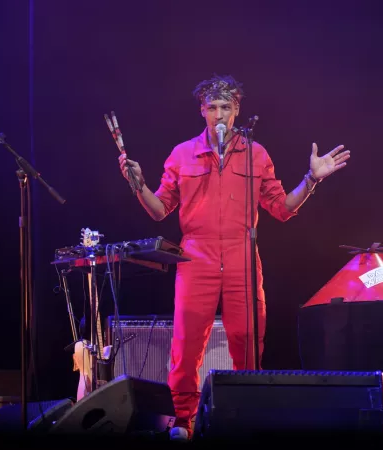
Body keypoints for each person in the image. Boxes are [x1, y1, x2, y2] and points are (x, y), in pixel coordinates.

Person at [118, 74, 351, 440]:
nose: (219, 114)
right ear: (202, 111)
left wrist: (312, 179)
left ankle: (246, 415)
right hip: (196, 257)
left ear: (237, 109)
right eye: (212, 107)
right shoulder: (183, 154)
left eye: (226, 106)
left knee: (248, 338)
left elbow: (281, 207)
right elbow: (160, 208)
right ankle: (183, 421)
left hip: (242, 255)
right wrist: (139, 186)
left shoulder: (256, 153)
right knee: (187, 343)